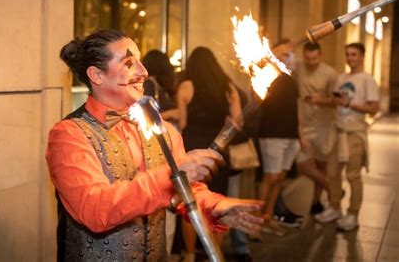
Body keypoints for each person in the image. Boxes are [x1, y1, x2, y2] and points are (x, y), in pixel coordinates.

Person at [45, 30, 264, 261]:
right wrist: (172, 175)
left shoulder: (161, 129)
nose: (144, 71)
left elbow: (183, 193)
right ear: (97, 75)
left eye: (139, 61)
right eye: (129, 63)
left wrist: (214, 206)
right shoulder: (69, 134)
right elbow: (95, 208)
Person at [176, 46, 243, 261]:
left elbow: (183, 122)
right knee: (218, 204)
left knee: (191, 203)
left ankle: (188, 254)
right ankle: (215, 254)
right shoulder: (228, 87)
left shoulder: (186, 86)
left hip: (193, 152)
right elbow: (237, 122)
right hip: (218, 152)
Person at [314, 42, 379, 231]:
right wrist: (320, 101)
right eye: (348, 54)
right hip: (338, 131)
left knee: (352, 175)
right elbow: (337, 102)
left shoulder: (367, 79)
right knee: (333, 172)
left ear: (362, 56)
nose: (350, 58)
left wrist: (350, 104)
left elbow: (374, 109)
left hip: (355, 133)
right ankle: (335, 207)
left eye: (354, 55)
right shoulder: (342, 77)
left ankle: (353, 214)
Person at [257, 44, 300, 236]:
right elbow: (259, 101)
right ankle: (257, 221)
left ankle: (268, 216)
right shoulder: (266, 74)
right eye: (282, 54)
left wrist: (301, 134)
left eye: (289, 55)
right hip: (272, 134)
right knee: (271, 177)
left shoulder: (290, 79)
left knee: (280, 178)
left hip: (291, 135)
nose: (287, 58)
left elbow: (296, 107)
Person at [141, 49, 179, 255]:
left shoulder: (155, 86)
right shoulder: (149, 85)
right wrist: (173, 113)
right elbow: (146, 117)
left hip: (163, 151)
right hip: (157, 152)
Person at [294, 42, 337, 215]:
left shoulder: (330, 73)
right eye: (308, 58)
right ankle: (333, 190)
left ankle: (315, 202)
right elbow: (280, 56)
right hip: (304, 123)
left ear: (320, 55)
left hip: (323, 125)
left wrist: (320, 100)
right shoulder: (298, 66)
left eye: (315, 58)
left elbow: (336, 101)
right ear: (303, 56)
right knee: (302, 164)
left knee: (321, 165)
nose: (311, 62)